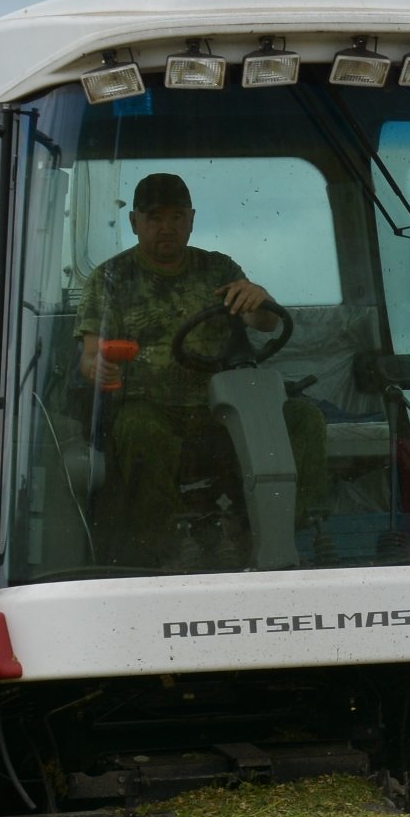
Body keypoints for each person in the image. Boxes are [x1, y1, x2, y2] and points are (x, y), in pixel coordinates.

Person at [78, 172, 330, 567]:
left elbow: (264, 323)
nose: (167, 228)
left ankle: (275, 536)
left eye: (176, 217)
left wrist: (259, 298)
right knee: (137, 429)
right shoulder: (110, 278)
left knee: (304, 419)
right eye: (155, 218)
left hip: (226, 410)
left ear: (192, 219)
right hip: (151, 407)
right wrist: (97, 366)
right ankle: (162, 548)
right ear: (134, 223)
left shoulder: (218, 270)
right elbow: (92, 353)